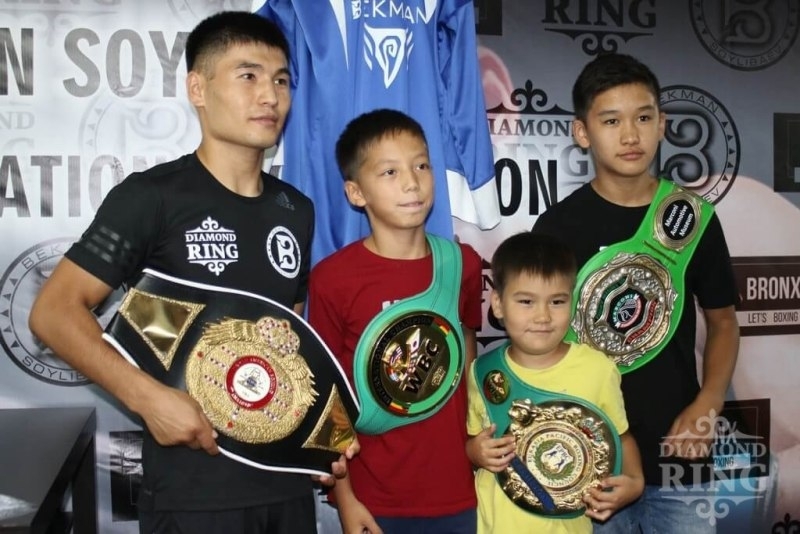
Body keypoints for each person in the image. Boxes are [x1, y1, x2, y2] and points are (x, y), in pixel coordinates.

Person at [29, 11, 350, 534]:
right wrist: (147, 398)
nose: (269, 96)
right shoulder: (151, 197)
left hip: (286, 489)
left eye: (281, 80)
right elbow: (53, 312)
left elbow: (286, 342)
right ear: (198, 89)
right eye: (248, 76)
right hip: (193, 494)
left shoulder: (297, 209)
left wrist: (315, 440)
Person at [532, 53, 740, 533]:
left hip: (679, 453)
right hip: (592, 456)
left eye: (643, 118)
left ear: (662, 125)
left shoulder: (692, 218)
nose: (630, 135)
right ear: (582, 132)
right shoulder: (557, 227)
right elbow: (539, 340)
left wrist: (709, 403)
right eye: (611, 121)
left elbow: (724, 322)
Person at [308, 108, 482, 534]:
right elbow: (328, 398)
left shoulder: (462, 264)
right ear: (356, 192)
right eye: (390, 172)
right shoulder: (333, 278)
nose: (412, 183)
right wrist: (345, 500)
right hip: (372, 497)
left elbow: (467, 367)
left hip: (456, 490)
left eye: (421, 165)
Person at [466, 231, 644, 533]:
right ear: (497, 304)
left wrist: (635, 482)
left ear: (573, 302)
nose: (543, 316)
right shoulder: (482, 372)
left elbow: (620, 437)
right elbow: (471, 442)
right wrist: (475, 452)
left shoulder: (597, 369)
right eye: (526, 301)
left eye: (557, 301)